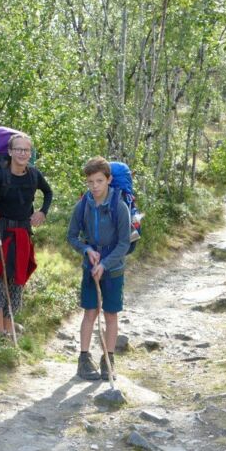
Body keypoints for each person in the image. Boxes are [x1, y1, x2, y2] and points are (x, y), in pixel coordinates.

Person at [0, 133, 52, 337]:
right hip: (1, 235)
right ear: (10, 152)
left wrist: (42, 211)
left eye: (26, 150)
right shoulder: (1, 175)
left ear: (31, 153)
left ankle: (9, 327)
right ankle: (0, 332)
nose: (22, 153)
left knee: (17, 281)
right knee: (0, 281)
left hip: (23, 236)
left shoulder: (34, 175)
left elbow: (48, 192)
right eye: (18, 149)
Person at [67, 157, 131, 380]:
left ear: (109, 180)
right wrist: (87, 250)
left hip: (113, 270)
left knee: (111, 314)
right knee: (90, 312)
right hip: (90, 268)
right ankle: (84, 360)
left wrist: (105, 263)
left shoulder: (119, 207)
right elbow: (72, 236)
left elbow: (124, 243)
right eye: (90, 182)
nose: (95, 186)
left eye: (99, 181)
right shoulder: (84, 204)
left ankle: (108, 358)